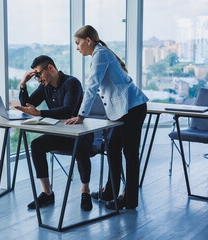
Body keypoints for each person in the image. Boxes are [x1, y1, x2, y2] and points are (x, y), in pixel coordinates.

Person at [65, 25, 148, 210]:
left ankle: (129, 198)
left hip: (132, 108)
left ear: (88, 41)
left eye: (78, 43)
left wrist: (80, 116)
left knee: (130, 154)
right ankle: (110, 190)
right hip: (123, 110)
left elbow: (92, 86)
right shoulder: (98, 55)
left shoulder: (100, 54)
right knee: (112, 147)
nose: (76, 47)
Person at [15, 55, 94, 211]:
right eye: (35, 76)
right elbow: (27, 105)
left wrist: (40, 113)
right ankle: (47, 193)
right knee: (36, 145)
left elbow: (68, 110)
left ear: (50, 68)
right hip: (61, 134)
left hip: (81, 133)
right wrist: (23, 84)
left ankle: (85, 191)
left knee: (80, 146)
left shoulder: (72, 83)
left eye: (38, 74)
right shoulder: (45, 86)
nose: (38, 79)